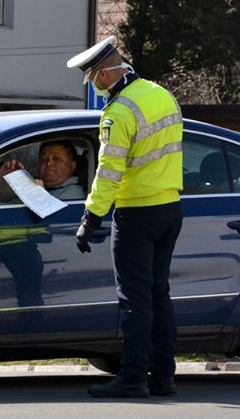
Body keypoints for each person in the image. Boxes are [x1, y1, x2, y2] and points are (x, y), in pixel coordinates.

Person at [67, 36, 183, 399]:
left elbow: (108, 171)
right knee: (158, 292)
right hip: (170, 208)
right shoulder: (160, 94)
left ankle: (133, 377)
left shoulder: (118, 113)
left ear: (103, 74)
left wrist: (91, 217)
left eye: (92, 80)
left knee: (135, 299)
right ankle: (163, 376)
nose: (94, 87)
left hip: (137, 213)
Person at [0, 140, 86, 201]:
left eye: (56, 158)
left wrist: (38, 197)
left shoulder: (74, 194)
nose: (49, 163)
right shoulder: (29, 183)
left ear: (73, 166)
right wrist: (1, 177)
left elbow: (53, 224)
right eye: (44, 159)